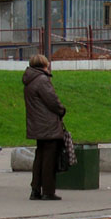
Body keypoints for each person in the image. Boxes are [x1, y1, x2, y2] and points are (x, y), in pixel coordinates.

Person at [23, 54, 67, 200]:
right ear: (44, 65)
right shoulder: (42, 80)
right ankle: (48, 191)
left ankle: (35, 189)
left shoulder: (29, 80)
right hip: (48, 125)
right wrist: (62, 110)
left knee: (40, 157)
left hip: (37, 124)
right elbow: (53, 101)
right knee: (49, 160)